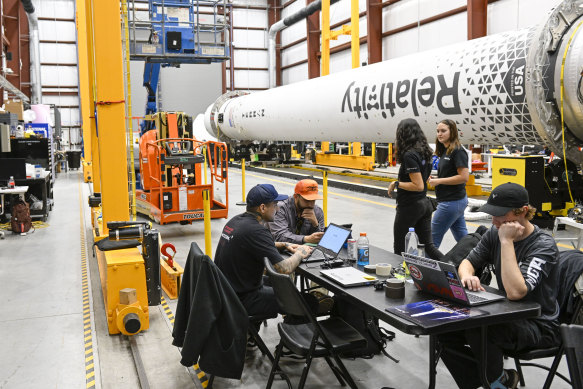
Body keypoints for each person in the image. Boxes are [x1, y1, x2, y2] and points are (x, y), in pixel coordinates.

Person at [438, 183, 560, 389]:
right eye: (492, 215)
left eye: (500, 215)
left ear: (522, 211)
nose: (494, 221)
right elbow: (468, 262)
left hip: (538, 324)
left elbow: (515, 292)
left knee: (480, 327)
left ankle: (493, 382)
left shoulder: (543, 245)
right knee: (443, 326)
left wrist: (506, 242)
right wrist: (468, 276)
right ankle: (494, 381)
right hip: (507, 314)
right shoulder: (495, 232)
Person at [214, 184, 313, 317]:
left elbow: (253, 243)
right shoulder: (258, 230)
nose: (277, 209)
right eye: (275, 204)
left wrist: (284, 244)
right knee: (306, 302)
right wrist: (300, 253)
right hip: (242, 299)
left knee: (285, 287)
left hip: (227, 292)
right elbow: (284, 268)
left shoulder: (237, 221)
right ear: (263, 207)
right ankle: (290, 334)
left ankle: (252, 334)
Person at [387, 118, 444, 260]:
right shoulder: (426, 152)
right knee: (429, 247)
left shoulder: (409, 155)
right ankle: (453, 272)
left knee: (400, 246)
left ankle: (399, 278)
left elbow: (418, 185)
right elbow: (424, 180)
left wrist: (397, 184)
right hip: (424, 205)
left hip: (409, 206)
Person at [428, 119, 469, 249]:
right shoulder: (447, 151)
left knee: (431, 240)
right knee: (463, 239)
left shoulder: (458, 151)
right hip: (453, 201)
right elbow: (450, 173)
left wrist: (438, 181)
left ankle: (425, 268)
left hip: (451, 202)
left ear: (452, 132)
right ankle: (475, 264)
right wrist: (437, 177)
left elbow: (464, 177)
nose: (439, 134)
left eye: (443, 131)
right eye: (438, 131)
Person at [269, 178, 325, 244]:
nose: (310, 204)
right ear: (296, 196)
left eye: (313, 200)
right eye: (307, 200)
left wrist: (315, 225)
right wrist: (305, 239)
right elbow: (279, 236)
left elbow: (321, 240)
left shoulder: (317, 211)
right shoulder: (280, 208)